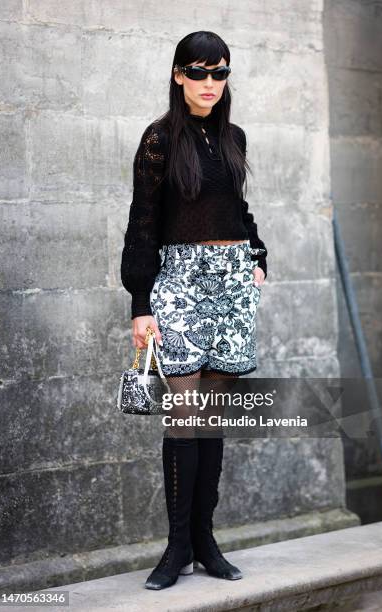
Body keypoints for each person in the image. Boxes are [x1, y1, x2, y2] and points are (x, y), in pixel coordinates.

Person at [120, 31, 268, 590]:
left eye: (220, 73)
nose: (210, 84)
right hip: (179, 281)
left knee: (212, 419)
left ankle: (205, 541)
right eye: (199, 73)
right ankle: (177, 545)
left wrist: (258, 258)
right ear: (179, 75)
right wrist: (141, 301)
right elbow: (143, 221)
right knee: (184, 415)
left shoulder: (234, 137)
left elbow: (238, 207)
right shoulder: (159, 140)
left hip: (231, 283)